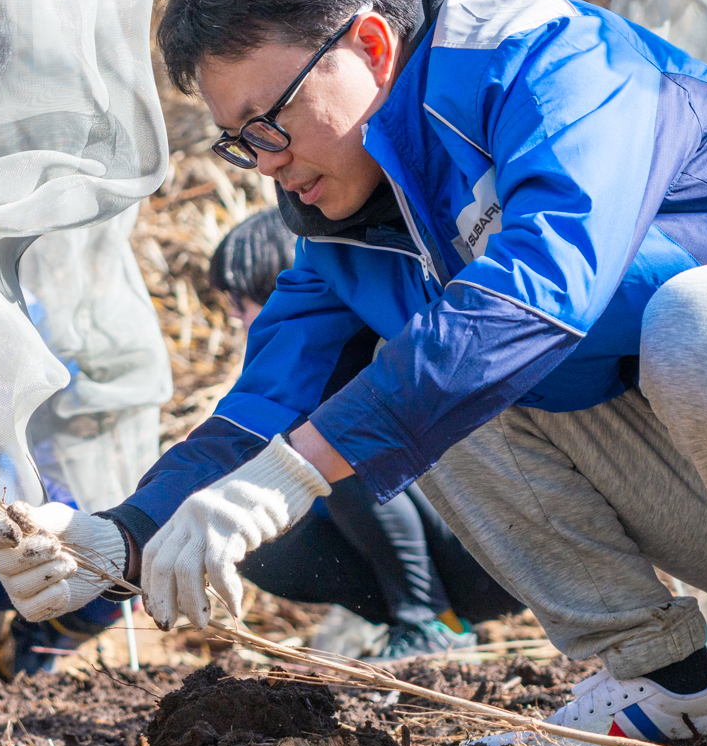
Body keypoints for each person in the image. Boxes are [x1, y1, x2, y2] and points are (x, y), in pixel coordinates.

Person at [0, 0, 707, 746]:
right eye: (238, 140)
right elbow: (259, 410)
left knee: (686, 317)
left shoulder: (548, 60)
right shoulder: (346, 230)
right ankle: (669, 684)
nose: (263, 162)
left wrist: (297, 471)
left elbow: (545, 282)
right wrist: (117, 538)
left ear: (369, 47)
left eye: (271, 122)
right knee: (426, 372)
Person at [207, 209, 520, 660]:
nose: (237, 319)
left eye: (241, 302)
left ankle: (429, 621)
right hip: (466, 552)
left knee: (331, 443)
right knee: (261, 543)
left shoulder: (367, 353)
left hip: (493, 545)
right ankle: (416, 621)